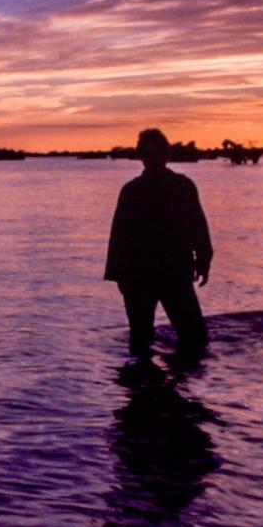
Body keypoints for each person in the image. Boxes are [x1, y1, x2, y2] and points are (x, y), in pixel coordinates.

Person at [104, 128, 212, 358]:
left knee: (193, 336)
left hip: (172, 272)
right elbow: (120, 235)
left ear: (166, 154)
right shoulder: (132, 191)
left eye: (156, 152)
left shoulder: (182, 186)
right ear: (142, 156)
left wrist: (204, 259)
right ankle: (149, 385)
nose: (152, 157)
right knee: (143, 339)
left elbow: (198, 226)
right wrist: (119, 275)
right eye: (148, 153)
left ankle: (170, 384)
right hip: (141, 276)